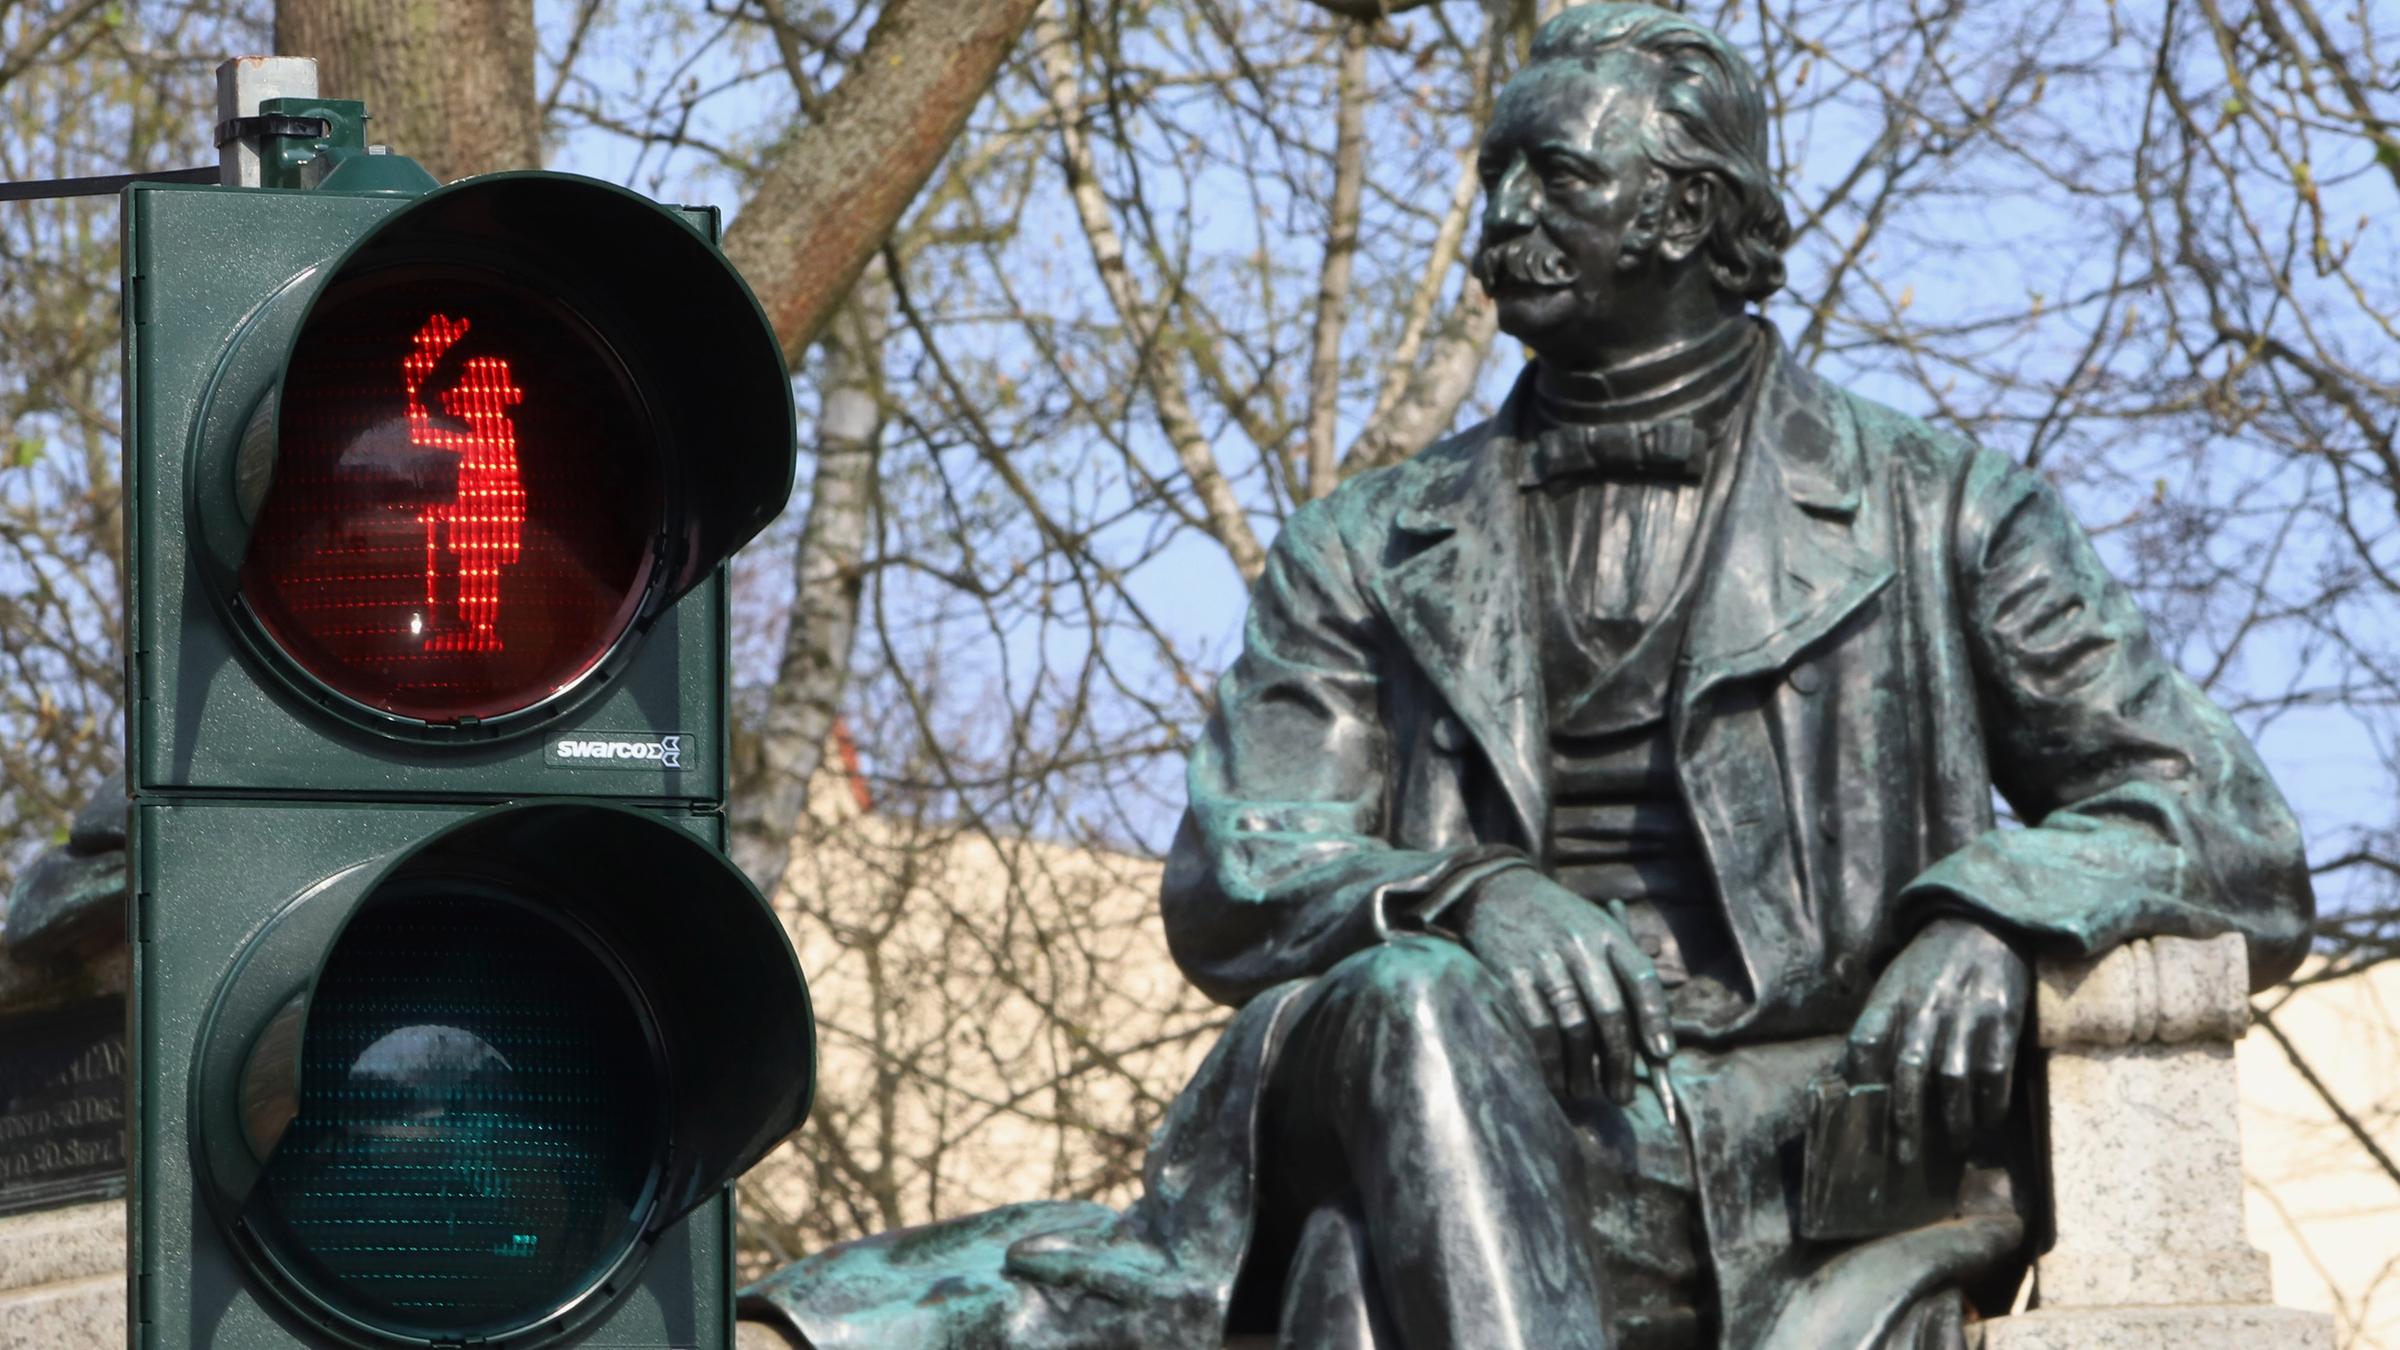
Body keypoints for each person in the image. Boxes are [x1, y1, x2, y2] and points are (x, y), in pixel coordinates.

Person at [745, 7, 2312, 1346]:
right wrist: (1469, 892)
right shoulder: (1371, 542)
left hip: (1790, 1160)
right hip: (1459, 1087)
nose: (1500, 224)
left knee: (1354, 1283)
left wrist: (1996, 906)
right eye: (1495, 176)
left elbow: (2225, 822)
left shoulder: (1939, 511)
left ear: (1692, 213)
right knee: (1416, 996)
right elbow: (1236, 867)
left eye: (1556, 177)